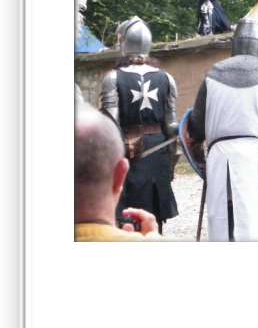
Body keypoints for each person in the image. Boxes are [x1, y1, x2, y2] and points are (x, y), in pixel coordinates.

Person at [189, 16, 258, 241]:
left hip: (219, 159)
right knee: (257, 222)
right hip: (257, 159)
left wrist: (199, 157)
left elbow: (195, 128)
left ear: (235, 43)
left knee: (223, 220)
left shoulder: (213, 74)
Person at [100, 16, 180, 233]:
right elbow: (172, 126)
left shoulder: (113, 78)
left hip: (128, 149)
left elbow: (110, 124)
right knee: (154, 213)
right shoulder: (166, 78)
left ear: (124, 43)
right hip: (158, 149)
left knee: (127, 213)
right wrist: (171, 162)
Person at [75, 101, 185, 241]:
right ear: (118, 175)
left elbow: (112, 118)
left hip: (142, 153)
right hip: (142, 154)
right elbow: (171, 126)